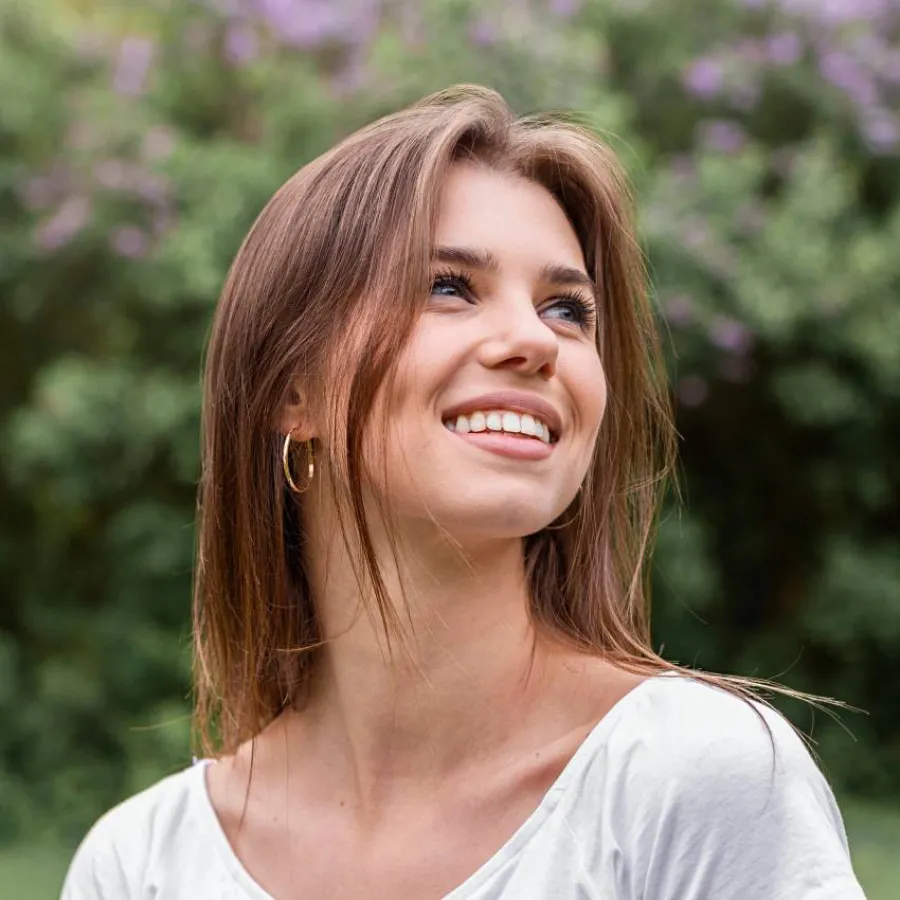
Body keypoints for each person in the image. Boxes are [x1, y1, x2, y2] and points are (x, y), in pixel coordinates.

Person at [61, 85, 867, 899]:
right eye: (449, 286)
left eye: (567, 309)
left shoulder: (697, 781)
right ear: (291, 389)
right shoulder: (140, 865)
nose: (533, 341)